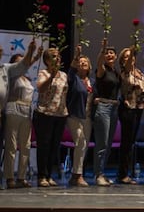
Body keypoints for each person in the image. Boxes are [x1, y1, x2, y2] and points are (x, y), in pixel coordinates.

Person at [3, 44, 42, 189]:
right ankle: (9, 177)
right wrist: (33, 57)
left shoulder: (27, 79)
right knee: (11, 146)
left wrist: (36, 57)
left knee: (25, 146)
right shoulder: (11, 75)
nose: (23, 64)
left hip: (26, 111)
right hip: (13, 109)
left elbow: (26, 66)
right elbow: (24, 65)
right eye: (20, 62)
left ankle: (21, 177)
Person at [34, 47, 69, 187]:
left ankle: (49, 175)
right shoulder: (43, 73)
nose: (57, 58)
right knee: (44, 146)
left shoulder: (64, 75)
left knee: (54, 146)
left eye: (58, 56)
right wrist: (51, 77)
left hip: (60, 114)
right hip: (45, 113)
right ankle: (41, 176)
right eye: (54, 56)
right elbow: (41, 88)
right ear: (47, 60)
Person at [117, 45, 144, 185]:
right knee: (127, 142)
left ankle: (126, 172)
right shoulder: (125, 72)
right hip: (128, 108)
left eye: (131, 56)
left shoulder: (139, 72)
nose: (130, 58)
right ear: (123, 60)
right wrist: (132, 49)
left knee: (131, 142)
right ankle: (122, 174)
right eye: (127, 56)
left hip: (139, 108)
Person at [92, 39, 121, 186]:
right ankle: (98, 174)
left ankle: (102, 172)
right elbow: (98, 62)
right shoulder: (102, 69)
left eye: (112, 53)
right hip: (103, 107)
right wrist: (102, 50)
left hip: (114, 109)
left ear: (116, 57)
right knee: (102, 143)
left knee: (108, 143)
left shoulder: (115, 72)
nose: (109, 55)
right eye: (107, 53)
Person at [66, 45, 95, 187]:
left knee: (83, 147)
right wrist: (77, 55)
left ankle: (75, 175)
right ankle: (78, 175)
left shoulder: (92, 81)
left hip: (88, 117)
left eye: (85, 62)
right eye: (80, 62)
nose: (82, 63)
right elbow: (70, 71)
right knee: (81, 142)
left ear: (89, 66)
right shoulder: (73, 78)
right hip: (74, 115)